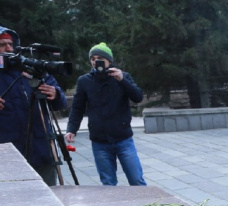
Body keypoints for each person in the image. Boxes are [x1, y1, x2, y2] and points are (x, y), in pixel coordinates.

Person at [65, 43, 146, 186]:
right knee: (108, 183)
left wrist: (122, 80)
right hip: (100, 141)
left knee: (136, 180)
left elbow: (138, 97)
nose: (96, 61)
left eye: (100, 58)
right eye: (93, 58)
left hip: (123, 139)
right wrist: (72, 129)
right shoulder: (84, 81)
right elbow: (77, 107)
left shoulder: (123, 77)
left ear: (109, 60)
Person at [0, 25, 67, 186]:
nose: (8, 48)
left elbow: (61, 103)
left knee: (51, 200)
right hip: (9, 155)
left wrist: (55, 94)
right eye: (2, 45)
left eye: (11, 44)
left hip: (42, 149)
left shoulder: (32, 68)